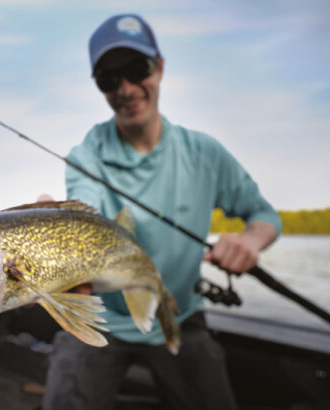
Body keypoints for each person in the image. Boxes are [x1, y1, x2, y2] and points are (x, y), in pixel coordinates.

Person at [40, 13, 282, 410]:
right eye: (109, 79)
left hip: (181, 315)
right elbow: (89, 211)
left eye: (137, 69)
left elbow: (265, 215)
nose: (127, 89)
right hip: (105, 316)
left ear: (161, 67)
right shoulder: (85, 156)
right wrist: (57, 229)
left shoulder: (205, 153)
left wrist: (250, 240)